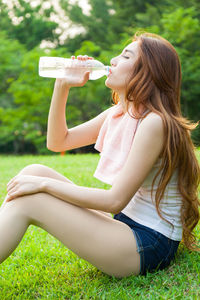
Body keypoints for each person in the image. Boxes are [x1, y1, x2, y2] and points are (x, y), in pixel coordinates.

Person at [0, 32, 199, 277]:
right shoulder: (120, 113)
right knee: (32, 171)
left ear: (148, 71)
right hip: (124, 225)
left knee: (31, 197)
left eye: (126, 56)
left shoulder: (155, 123)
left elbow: (114, 200)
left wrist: (43, 185)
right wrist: (62, 85)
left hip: (148, 244)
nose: (113, 60)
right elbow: (57, 141)